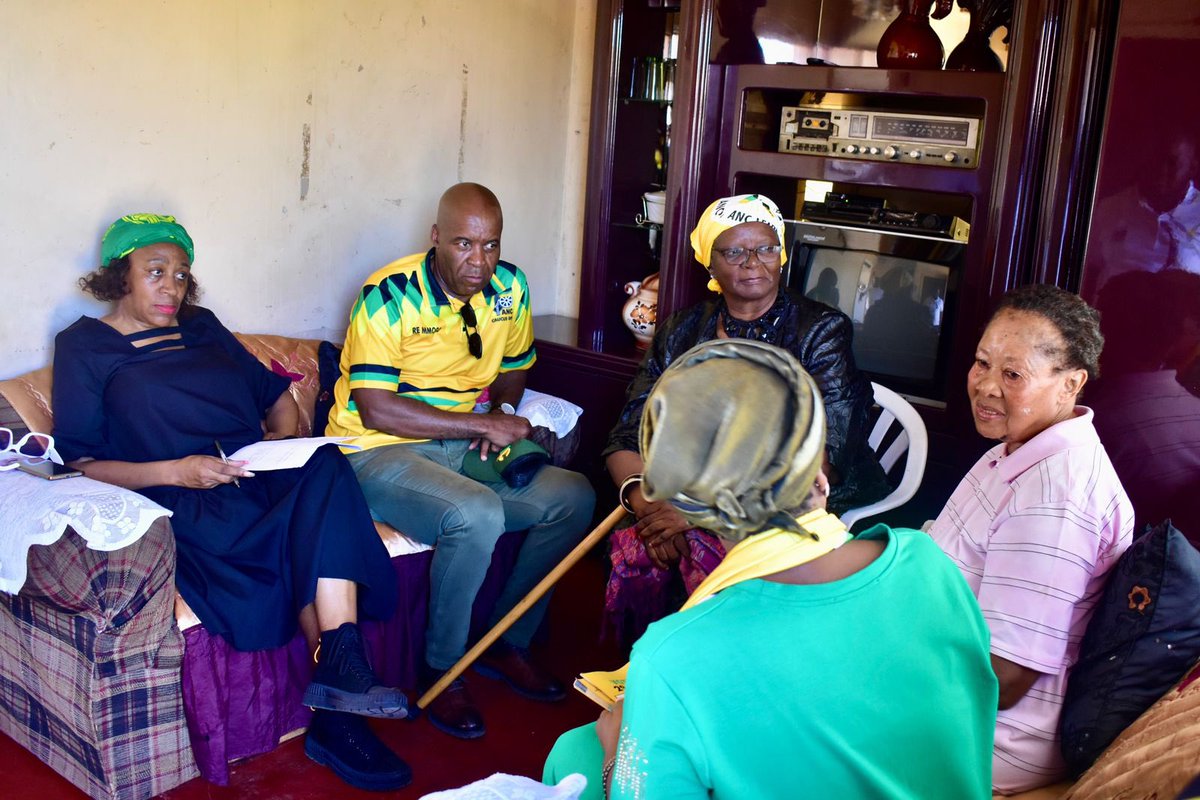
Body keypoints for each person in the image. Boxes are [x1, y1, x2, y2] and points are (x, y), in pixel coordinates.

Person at [545, 338, 998, 799]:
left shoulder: (672, 657)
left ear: (687, 507)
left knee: (574, 753)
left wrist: (613, 756)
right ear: (817, 469)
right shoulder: (926, 562)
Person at [51, 213, 412, 791]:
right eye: (156, 272)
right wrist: (180, 471)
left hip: (251, 473)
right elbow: (80, 462)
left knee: (326, 464)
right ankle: (340, 718)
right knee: (310, 539)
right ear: (121, 277)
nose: (172, 287)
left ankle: (342, 678)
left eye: (181, 275)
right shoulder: (84, 347)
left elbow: (276, 399)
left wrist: (278, 436)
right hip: (185, 497)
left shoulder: (201, 327)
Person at [328, 183, 596, 739]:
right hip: (375, 451)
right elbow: (376, 409)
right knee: (476, 512)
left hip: (463, 440)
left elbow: (516, 364)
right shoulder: (390, 294)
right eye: (463, 245)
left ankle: (507, 642)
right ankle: (444, 669)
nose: (479, 262)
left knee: (573, 496)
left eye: (491, 245)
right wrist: (481, 423)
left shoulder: (510, 288)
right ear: (435, 238)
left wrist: (498, 407)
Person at [603, 193, 889, 639]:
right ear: (710, 264)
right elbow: (627, 435)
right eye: (734, 251)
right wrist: (647, 501)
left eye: (767, 248)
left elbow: (821, 459)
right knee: (643, 537)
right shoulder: (681, 331)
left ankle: (724, 667)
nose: (753, 262)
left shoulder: (819, 331)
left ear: (782, 255)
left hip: (798, 498)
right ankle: (653, 667)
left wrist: (697, 513)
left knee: (704, 543)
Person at [928, 284, 1134, 794]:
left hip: (987, 739)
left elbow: (1005, 677)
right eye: (982, 363)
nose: (986, 386)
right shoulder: (1020, 446)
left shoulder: (1054, 497)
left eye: (1013, 374)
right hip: (947, 690)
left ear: (1070, 384)